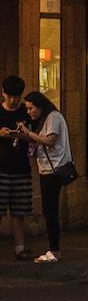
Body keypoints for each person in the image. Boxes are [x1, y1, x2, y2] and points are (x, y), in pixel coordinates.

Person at [17, 91, 73, 262]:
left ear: (40, 106)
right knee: (49, 210)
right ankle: (53, 249)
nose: (29, 112)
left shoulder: (53, 117)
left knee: (50, 211)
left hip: (53, 169)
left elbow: (49, 140)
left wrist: (28, 132)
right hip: (46, 169)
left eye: (31, 108)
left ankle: (54, 250)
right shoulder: (44, 119)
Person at [0, 75, 35, 259]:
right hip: (1, 168)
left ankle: (20, 248)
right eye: (10, 96)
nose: (13, 100)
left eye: (17, 97)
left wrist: (24, 134)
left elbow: (35, 136)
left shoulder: (25, 112)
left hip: (21, 168)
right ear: (3, 94)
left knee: (19, 211)